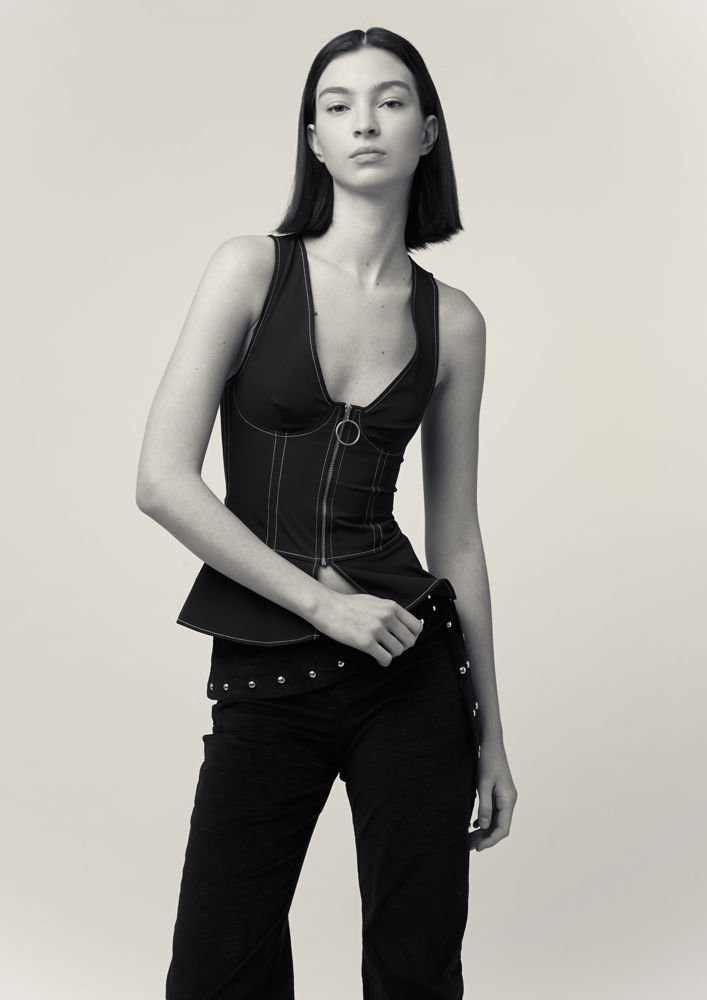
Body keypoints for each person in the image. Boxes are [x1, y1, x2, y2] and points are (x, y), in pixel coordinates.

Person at [136, 25, 517, 1000]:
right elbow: (163, 480)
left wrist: (490, 735)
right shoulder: (247, 270)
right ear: (312, 139)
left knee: (415, 972)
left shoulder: (455, 321)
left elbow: (457, 539)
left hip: (410, 675)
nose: (365, 123)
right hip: (270, 668)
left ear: (427, 131)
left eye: (390, 102)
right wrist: (323, 605)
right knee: (216, 973)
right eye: (338, 106)